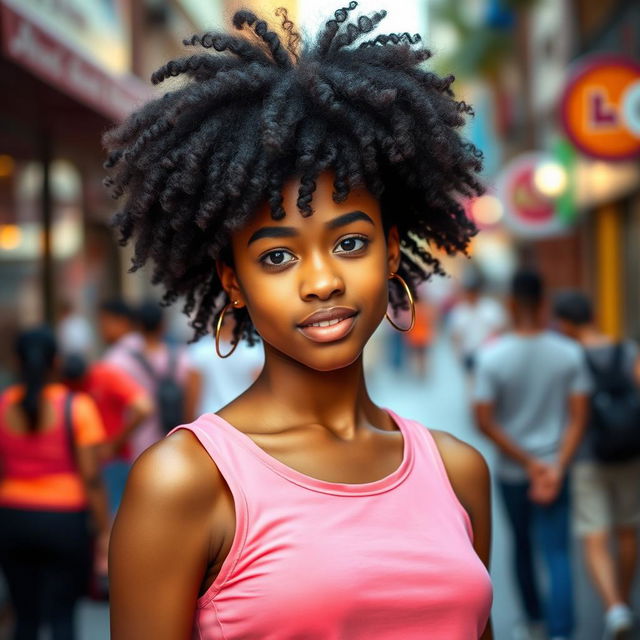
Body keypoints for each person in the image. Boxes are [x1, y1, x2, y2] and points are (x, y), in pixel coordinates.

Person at [104, 5, 494, 639]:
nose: (322, 282)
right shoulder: (186, 482)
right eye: (278, 256)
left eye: (349, 243)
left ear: (392, 251)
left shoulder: (457, 471)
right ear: (233, 279)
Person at [474, 270, 589, 640]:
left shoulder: (491, 357)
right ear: (545, 305)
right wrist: (554, 466)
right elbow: (578, 418)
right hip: (558, 468)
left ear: (510, 304)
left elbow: (484, 422)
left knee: (521, 546)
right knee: (557, 551)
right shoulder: (569, 353)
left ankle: (533, 621)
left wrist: (528, 462)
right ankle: (562, 631)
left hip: (513, 472)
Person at [0, 327, 110, 640]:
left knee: (24, 619)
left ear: (16, 362)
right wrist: (103, 532)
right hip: (65, 521)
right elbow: (91, 477)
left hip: (12, 517)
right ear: (57, 361)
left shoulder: (3, 405)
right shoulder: (77, 407)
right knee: (63, 617)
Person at [554, 290, 639, 638]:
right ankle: (625, 602)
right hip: (630, 453)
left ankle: (614, 608)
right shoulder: (627, 350)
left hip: (588, 457)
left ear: (566, 323)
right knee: (628, 531)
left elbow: (570, 411)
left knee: (594, 535)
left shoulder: (569, 358)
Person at [61, 354, 154, 515]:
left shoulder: (105, 376)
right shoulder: (63, 385)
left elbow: (144, 407)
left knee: (114, 515)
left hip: (111, 461)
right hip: (77, 464)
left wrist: (115, 443)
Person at [111, 299, 199, 460]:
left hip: (138, 438)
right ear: (162, 326)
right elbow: (191, 394)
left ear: (138, 326)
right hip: (173, 435)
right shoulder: (180, 356)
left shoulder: (122, 358)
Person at [188, 313, 263, 415]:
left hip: (208, 418)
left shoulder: (200, 350)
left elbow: (192, 394)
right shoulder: (254, 351)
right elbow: (259, 391)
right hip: (242, 417)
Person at [450, 268, 506, 375]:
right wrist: (457, 352)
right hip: (469, 352)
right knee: (471, 379)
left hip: (489, 353)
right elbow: (456, 335)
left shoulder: (490, 308)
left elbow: (500, 328)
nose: (471, 295)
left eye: (473, 291)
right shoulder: (459, 311)